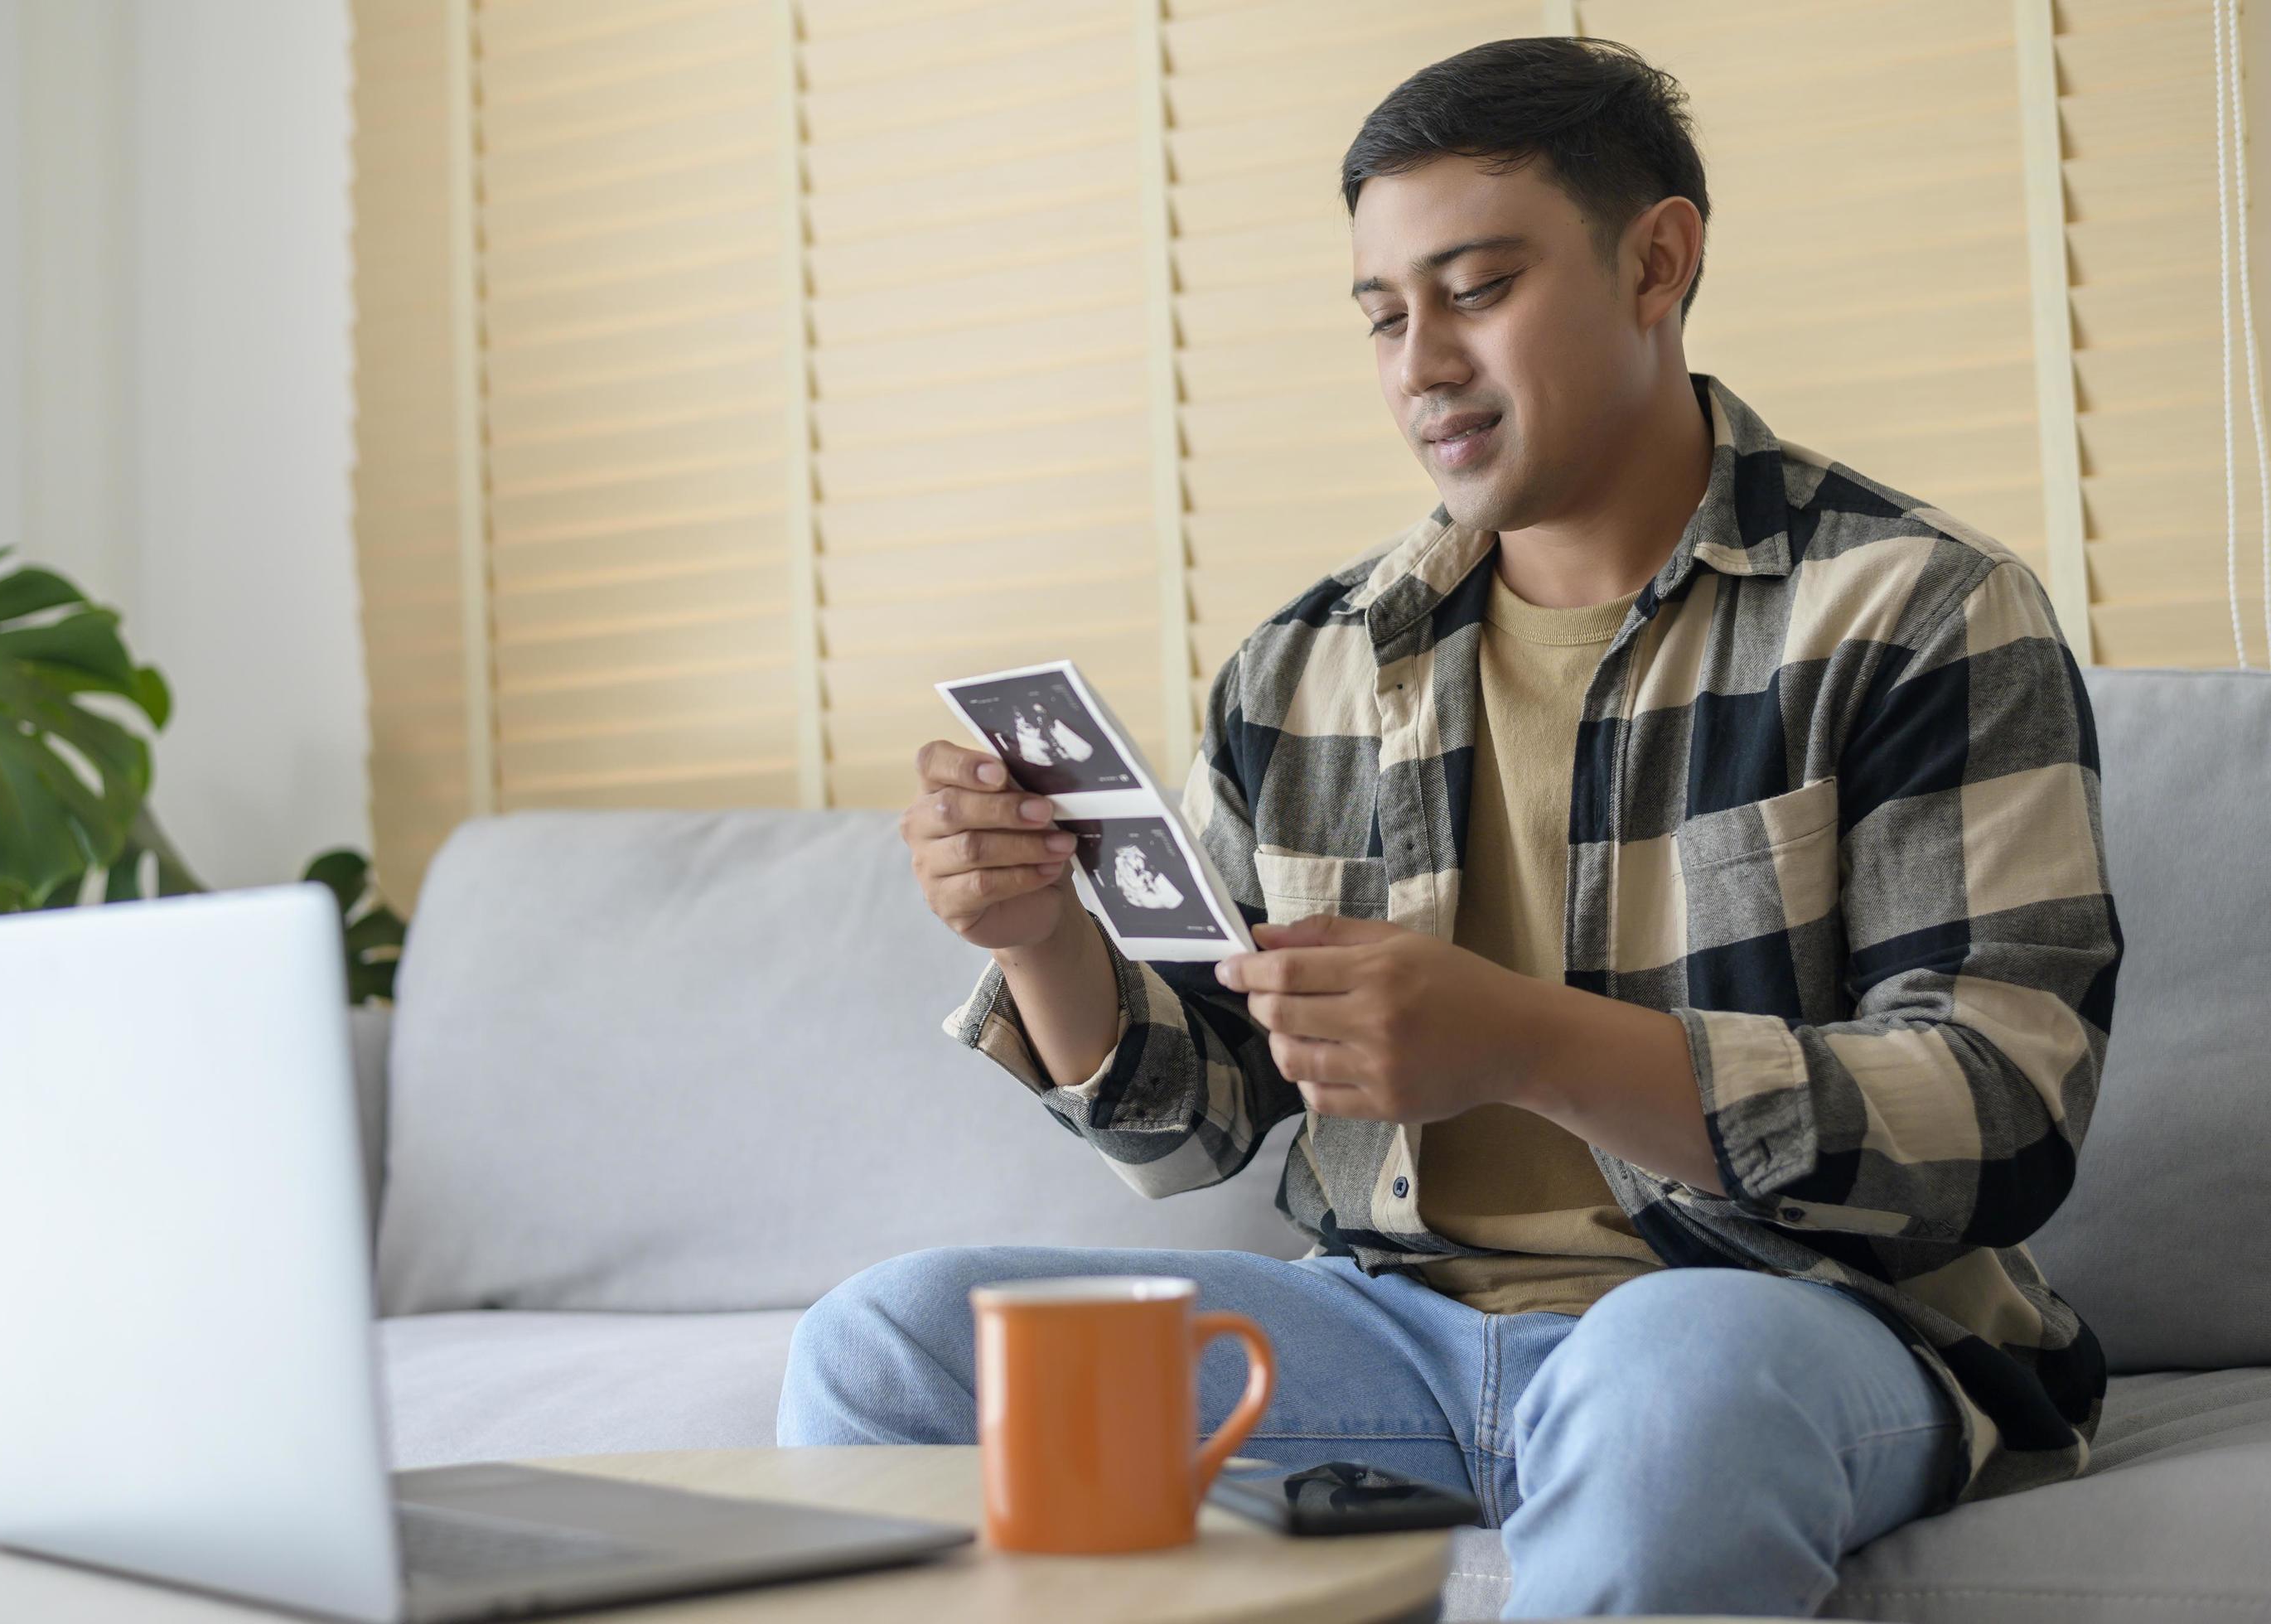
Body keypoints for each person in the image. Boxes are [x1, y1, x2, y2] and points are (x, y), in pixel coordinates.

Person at [780, 35, 2118, 1621]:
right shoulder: (1308, 663)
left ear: (1656, 264)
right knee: (888, 1344)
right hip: (1387, 1332)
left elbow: (2000, 1109)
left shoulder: (1916, 615)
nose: (1418, 361)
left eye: (1475, 290)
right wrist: (1044, 941)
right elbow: (1192, 1121)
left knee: (1671, 1377)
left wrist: (1531, 1046)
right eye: (1381, 313)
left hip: (1783, 1318)